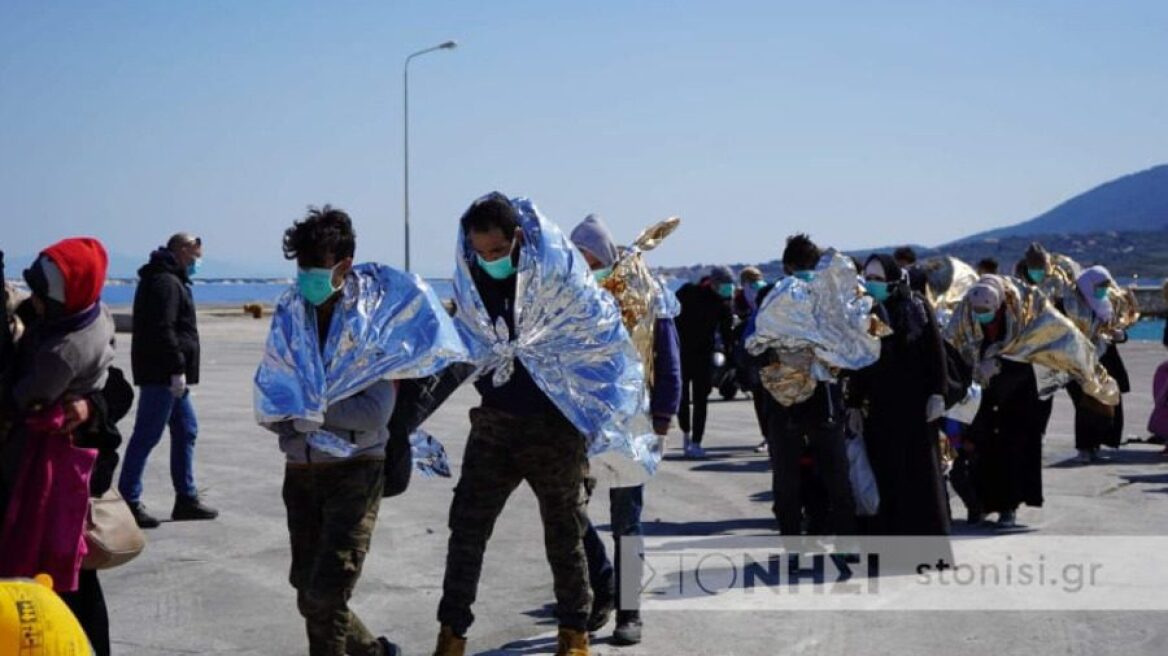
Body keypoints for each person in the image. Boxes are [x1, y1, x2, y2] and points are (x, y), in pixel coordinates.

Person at [436, 193, 648, 656]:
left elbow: (603, 342)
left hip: (554, 428)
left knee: (565, 534)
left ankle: (574, 633)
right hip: (493, 425)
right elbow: (460, 347)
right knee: (466, 530)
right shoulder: (472, 281)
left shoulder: (558, 281)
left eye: (496, 252)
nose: (488, 260)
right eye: (480, 252)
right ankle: (451, 634)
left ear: (515, 240)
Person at [254, 207, 467, 656]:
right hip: (301, 469)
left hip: (356, 468)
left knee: (328, 592)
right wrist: (293, 421)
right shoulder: (294, 314)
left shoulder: (371, 321)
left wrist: (313, 409)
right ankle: (374, 653)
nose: (308, 277)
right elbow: (275, 394)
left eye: (318, 267)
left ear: (343, 265)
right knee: (307, 590)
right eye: (302, 268)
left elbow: (374, 412)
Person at [0, 238, 117, 654]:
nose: (35, 300)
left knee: (56, 569)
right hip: (56, 465)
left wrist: (90, 407)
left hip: (47, 469)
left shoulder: (62, 349)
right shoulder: (87, 315)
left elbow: (21, 397)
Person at [570, 215, 681, 646]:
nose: (584, 263)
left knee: (627, 523)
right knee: (568, 511)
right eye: (577, 256)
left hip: (632, 424)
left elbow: (668, 359)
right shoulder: (573, 298)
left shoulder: (646, 294)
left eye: (589, 256)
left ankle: (629, 613)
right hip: (581, 425)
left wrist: (663, 419)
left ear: (605, 255)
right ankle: (603, 586)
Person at [751, 235, 857, 539]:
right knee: (837, 476)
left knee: (786, 480)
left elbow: (752, 348)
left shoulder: (770, 295)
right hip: (825, 400)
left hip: (783, 402)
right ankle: (846, 542)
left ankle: (792, 545)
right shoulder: (831, 295)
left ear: (786, 266)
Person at [118, 233, 217, 527]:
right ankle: (128, 500)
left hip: (171, 375)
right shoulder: (165, 282)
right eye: (196, 255)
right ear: (183, 250)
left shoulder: (170, 279)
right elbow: (164, 328)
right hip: (163, 374)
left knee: (186, 430)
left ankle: (186, 498)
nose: (198, 261)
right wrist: (176, 367)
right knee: (147, 434)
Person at [847, 254, 950, 536]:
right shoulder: (867, 312)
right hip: (879, 408)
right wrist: (854, 404)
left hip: (916, 406)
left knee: (921, 475)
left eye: (878, 279)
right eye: (868, 278)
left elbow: (934, 351)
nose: (872, 284)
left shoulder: (916, 307)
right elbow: (860, 361)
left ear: (893, 279)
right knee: (884, 475)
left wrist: (937, 393)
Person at [1063, 266, 1132, 464]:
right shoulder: (1071, 304)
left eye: (1105, 286)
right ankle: (1085, 447)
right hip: (1081, 361)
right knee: (1085, 405)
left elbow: (1119, 328)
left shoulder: (1106, 305)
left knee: (1107, 402)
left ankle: (1098, 443)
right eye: (1100, 286)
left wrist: (1120, 336)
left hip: (1107, 360)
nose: (1103, 290)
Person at [674, 266, 735, 458]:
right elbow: (670, 316)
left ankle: (697, 441)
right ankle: (686, 433)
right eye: (724, 285)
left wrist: (730, 357)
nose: (727, 289)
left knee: (701, 399)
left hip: (704, 356)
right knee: (682, 398)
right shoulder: (687, 292)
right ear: (713, 282)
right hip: (682, 352)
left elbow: (727, 334)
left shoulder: (722, 304)